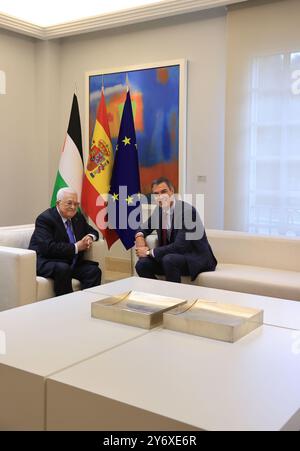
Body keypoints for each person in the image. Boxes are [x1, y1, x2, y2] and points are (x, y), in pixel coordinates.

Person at [135, 177, 217, 283]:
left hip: (194, 258)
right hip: (170, 257)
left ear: (172, 191)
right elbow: (144, 227)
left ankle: (173, 298)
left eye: (164, 191)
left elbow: (180, 247)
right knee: (142, 265)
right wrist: (139, 236)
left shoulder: (187, 212)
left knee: (169, 260)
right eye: (156, 194)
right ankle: (158, 294)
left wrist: (148, 252)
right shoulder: (159, 210)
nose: (161, 196)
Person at [29, 187, 101, 296]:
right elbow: (48, 248)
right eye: (69, 203)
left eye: (76, 204)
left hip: (68, 262)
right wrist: (76, 247)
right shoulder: (45, 219)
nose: (73, 207)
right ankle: (67, 307)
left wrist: (90, 237)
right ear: (58, 203)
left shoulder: (77, 217)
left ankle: (87, 304)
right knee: (63, 269)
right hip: (47, 260)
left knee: (93, 271)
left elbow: (93, 231)